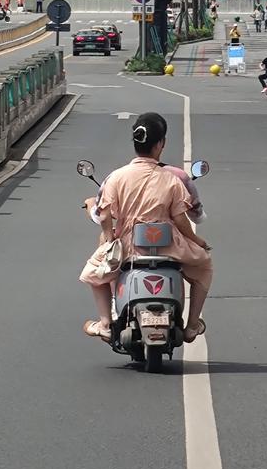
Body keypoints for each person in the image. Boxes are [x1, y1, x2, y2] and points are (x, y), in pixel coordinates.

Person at [79, 112, 212, 344]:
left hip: (128, 247)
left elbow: (105, 214)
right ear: (160, 144)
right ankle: (192, 326)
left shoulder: (116, 177)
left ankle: (104, 324)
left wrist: (110, 238)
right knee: (204, 267)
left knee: (95, 273)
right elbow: (181, 220)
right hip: (170, 247)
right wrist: (196, 241)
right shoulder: (172, 179)